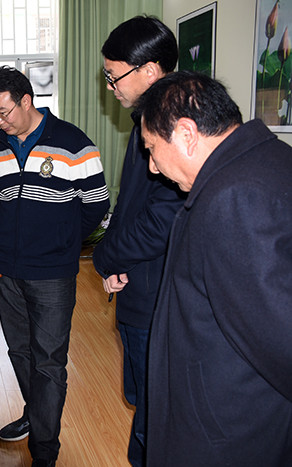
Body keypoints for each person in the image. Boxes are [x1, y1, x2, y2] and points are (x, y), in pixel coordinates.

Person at [138, 71, 292, 465]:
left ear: (186, 134)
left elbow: (280, 336)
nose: (152, 167)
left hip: (226, 428)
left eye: (151, 148)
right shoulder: (270, 160)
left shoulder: (235, 198)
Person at [0, 66, 110, 466]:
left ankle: (44, 451)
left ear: (26, 101)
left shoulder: (73, 143)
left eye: (3, 112)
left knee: (49, 361)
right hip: (7, 268)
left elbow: (97, 205)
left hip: (53, 272)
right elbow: (0, 200)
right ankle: (35, 414)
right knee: (20, 352)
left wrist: (63, 242)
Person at [91, 16, 185, 466]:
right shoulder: (148, 118)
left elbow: (161, 219)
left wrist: (105, 256)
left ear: (149, 71)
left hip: (158, 297)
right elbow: (132, 207)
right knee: (143, 402)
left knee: (156, 411)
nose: (110, 86)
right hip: (138, 283)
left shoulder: (175, 127)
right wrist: (116, 260)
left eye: (114, 76)